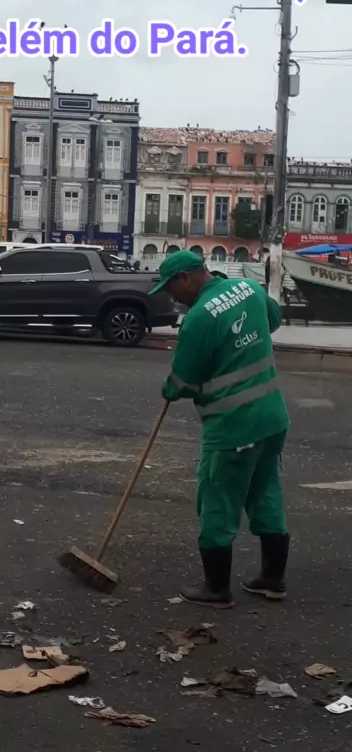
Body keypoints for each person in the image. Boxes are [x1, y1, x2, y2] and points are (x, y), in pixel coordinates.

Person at [150, 251, 290, 609]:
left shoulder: (198, 317)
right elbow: (273, 320)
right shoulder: (249, 288)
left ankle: (216, 589)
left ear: (185, 278)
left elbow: (183, 379)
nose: (172, 297)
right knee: (265, 491)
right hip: (272, 417)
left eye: (171, 288)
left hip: (233, 426)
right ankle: (273, 579)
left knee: (217, 500)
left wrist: (170, 389)